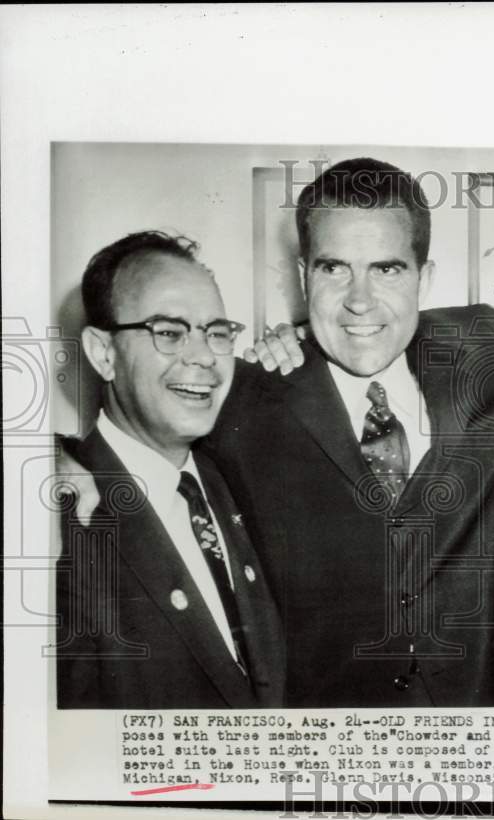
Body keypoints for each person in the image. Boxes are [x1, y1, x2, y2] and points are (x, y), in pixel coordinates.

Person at [199, 158, 494, 706]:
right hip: (325, 753)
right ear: (304, 275)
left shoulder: (480, 355)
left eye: (387, 269)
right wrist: (73, 465)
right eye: (333, 269)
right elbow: (145, 438)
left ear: (427, 278)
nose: (359, 299)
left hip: (480, 742)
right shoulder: (240, 403)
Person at [55, 231, 284, 708]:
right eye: (168, 332)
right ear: (103, 353)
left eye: (217, 332)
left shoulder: (237, 479)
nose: (203, 357)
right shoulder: (58, 521)